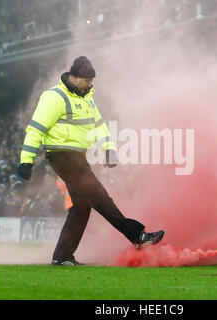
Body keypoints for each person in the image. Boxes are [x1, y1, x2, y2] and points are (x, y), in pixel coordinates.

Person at [17, 56, 165, 266]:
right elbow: (36, 129)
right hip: (61, 155)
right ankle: (138, 236)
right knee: (100, 197)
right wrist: (27, 160)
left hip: (77, 157)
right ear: (74, 78)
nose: (91, 84)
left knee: (81, 207)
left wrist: (109, 149)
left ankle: (62, 257)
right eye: (87, 80)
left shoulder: (87, 98)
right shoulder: (53, 97)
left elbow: (99, 126)